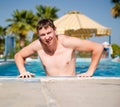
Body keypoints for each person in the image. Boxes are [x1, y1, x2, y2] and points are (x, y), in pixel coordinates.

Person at [14, 19, 103, 78]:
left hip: (72, 85)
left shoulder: (67, 42)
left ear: (55, 30)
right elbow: (18, 55)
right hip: (51, 86)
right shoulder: (38, 45)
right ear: (39, 35)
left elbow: (98, 47)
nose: (47, 37)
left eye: (49, 33)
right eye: (43, 35)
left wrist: (90, 72)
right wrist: (23, 71)